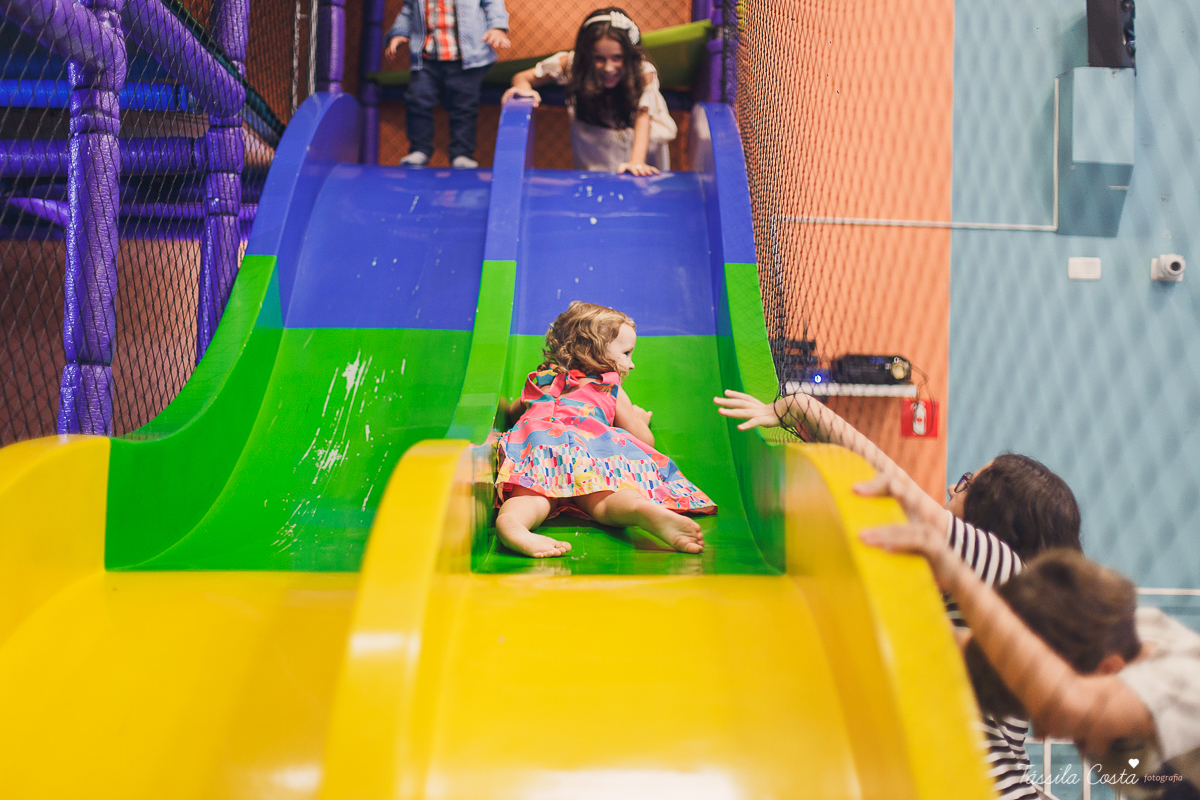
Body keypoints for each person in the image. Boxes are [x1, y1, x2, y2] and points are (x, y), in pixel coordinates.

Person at [714, 388, 1082, 800]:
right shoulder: (1009, 588)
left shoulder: (1000, 565)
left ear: (993, 510)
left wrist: (801, 407)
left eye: (964, 484)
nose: (949, 489)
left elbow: (898, 490)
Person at [857, 474, 1200, 796]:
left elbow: (1068, 703)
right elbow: (972, 651)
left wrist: (956, 575)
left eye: (1058, 721)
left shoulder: (1184, 683)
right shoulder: (1105, 640)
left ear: (1109, 671)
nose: (1041, 735)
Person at [495, 301, 715, 558]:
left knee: (533, 498)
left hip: (539, 444)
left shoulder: (541, 380)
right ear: (594, 352)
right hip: (587, 447)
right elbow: (645, 440)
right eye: (626, 354)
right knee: (604, 500)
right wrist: (638, 419)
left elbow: (513, 413)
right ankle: (640, 511)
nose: (631, 364)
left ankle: (512, 524)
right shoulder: (608, 387)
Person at [500, 7, 677, 175]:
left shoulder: (642, 72)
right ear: (586, 55)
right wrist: (523, 87)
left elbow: (643, 115)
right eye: (599, 58)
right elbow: (523, 77)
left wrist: (637, 162)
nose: (609, 68)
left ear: (629, 54)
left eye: (617, 57)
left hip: (639, 146)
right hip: (594, 149)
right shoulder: (571, 64)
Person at [384, 0, 511, 168]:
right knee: (417, 100)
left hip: (466, 60)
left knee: (464, 107)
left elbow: (493, 4)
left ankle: (462, 153)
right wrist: (398, 33)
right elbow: (408, 11)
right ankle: (419, 149)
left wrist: (497, 28)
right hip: (427, 58)